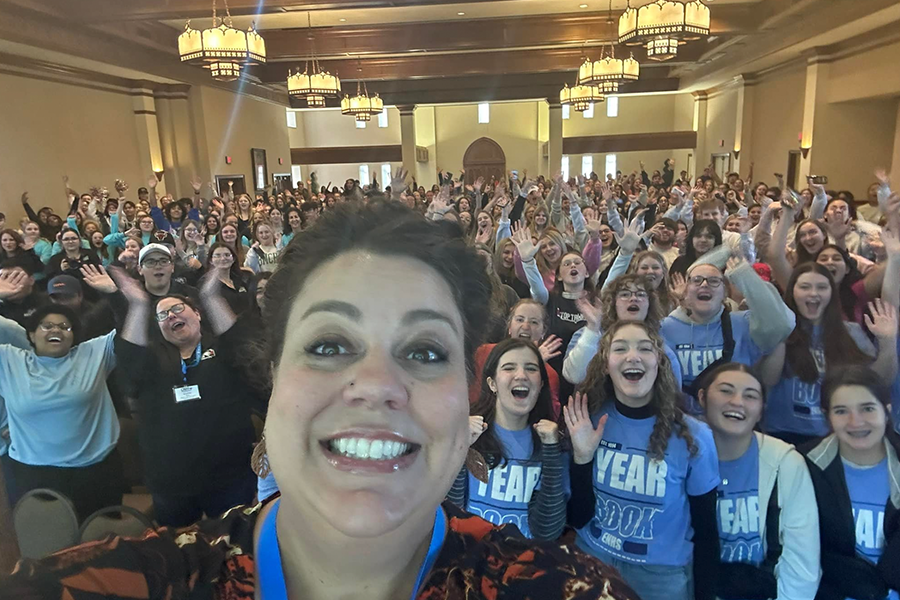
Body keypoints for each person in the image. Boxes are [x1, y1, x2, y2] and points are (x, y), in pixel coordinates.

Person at [2, 203, 641, 600]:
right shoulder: (113, 587)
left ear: (468, 389)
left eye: (423, 352)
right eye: (331, 343)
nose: (375, 385)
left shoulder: (567, 590)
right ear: (275, 374)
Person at [565, 320, 721, 600]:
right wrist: (582, 458)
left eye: (645, 348)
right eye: (620, 348)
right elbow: (577, 517)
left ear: (659, 362)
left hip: (661, 578)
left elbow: (707, 532)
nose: (632, 356)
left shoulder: (694, 437)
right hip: (593, 564)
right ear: (605, 364)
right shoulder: (587, 421)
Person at [110, 269, 263, 527]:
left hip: (229, 477)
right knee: (179, 552)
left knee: (234, 547)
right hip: (172, 482)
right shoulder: (152, 359)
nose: (171, 315)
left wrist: (211, 297)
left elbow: (241, 344)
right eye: (162, 315)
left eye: (178, 308)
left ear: (198, 314)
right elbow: (129, 361)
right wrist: (137, 305)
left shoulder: (223, 350)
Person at [696, 363, 820, 600]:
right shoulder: (681, 455)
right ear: (702, 398)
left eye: (750, 396)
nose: (737, 402)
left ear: (761, 410)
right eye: (726, 391)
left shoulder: (786, 463)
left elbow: (802, 562)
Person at [0, 302, 123, 520]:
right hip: (32, 473)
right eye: (46, 326)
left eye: (65, 327)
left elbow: (134, 330)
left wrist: (115, 295)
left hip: (96, 471)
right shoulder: (9, 359)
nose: (56, 330)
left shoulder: (94, 352)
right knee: (43, 544)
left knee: (102, 545)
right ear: (30, 334)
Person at [760, 263, 898, 445]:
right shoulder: (779, 329)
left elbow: (880, 380)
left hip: (836, 435)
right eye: (805, 287)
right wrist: (783, 332)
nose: (813, 293)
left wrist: (888, 341)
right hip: (781, 434)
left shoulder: (852, 332)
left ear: (832, 293)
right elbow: (767, 379)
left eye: (822, 287)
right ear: (792, 292)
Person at [448, 338, 569, 541]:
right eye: (509, 368)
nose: (521, 375)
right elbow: (450, 512)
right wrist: (460, 447)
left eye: (531, 369)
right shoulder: (467, 433)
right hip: (468, 560)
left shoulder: (552, 445)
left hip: (522, 564)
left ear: (540, 385)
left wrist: (551, 450)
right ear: (492, 384)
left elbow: (547, 532)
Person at [803, 366, 900, 600]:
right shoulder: (804, 465)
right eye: (841, 411)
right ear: (827, 417)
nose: (856, 422)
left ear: (886, 411)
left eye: (867, 408)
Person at [662, 256, 796, 414]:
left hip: (733, 419)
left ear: (725, 293)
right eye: (697, 280)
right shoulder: (665, 328)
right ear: (686, 292)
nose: (704, 284)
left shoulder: (744, 324)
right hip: (682, 425)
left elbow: (785, 323)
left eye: (714, 281)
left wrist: (745, 278)